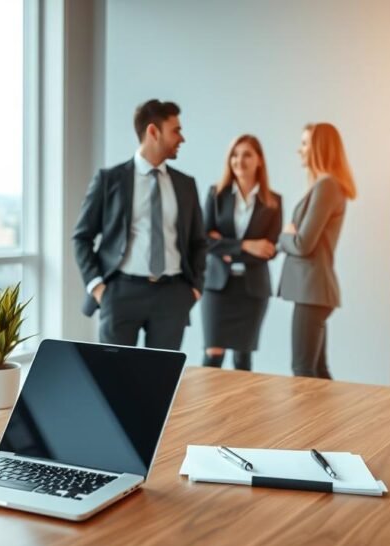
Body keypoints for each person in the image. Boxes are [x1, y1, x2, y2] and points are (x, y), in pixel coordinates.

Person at [72, 99, 207, 350]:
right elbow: (82, 237)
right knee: (114, 379)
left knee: (160, 381)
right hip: (120, 293)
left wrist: (195, 288)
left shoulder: (185, 185)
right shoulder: (109, 180)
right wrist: (98, 288)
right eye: (176, 130)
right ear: (153, 132)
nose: (182, 138)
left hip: (172, 295)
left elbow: (199, 242)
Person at [278, 123, 356, 378]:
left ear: (318, 148)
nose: (299, 150)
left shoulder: (327, 186)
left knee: (302, 370)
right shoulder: (324, 186)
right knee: (318, 371)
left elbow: (302, 244)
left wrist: (285, 236)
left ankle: (310, 419)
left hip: (312, 291)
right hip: (313, 290)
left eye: (304, 144)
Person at [201, 135, 282, 371]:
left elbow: (269, 249)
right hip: (217, 287)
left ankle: (241, 410)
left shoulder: (273, 202)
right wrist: (246, 246)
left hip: (253, 289)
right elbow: (204, 240)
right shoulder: (216, 195)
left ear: (260, 160)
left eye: (247, 154)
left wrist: (225, 246)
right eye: (234, 155)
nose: (239, 160)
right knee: (212, 355)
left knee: (242, 358)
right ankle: (205, 409)